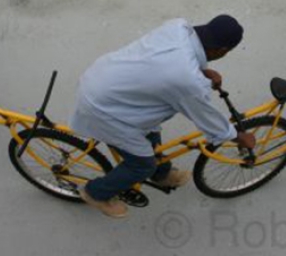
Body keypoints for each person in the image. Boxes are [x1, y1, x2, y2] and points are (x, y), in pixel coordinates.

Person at [70, 15, 256, 218]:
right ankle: (95, 193)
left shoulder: (178, 27)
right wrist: (238, 136)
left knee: (152, 134)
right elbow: (207, 118)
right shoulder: (186, 80)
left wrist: (202, 72)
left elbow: (165, 64)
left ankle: (162, 173)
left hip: (104, 78)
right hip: (103, 108)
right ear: (222, 51)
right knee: (142, 165)